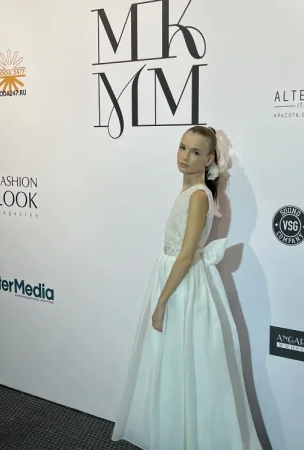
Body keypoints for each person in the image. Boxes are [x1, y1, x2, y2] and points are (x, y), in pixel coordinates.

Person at [111, 126, 263, 450]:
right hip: (175, 280)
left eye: (195, 152)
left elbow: (186, 254)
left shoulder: (198, 197)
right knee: (175, 363)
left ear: (209, 160)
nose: (185, 156)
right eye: (182, 147)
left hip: (182, 287)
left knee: (182, 364)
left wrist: (161, 302)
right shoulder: (191, 192)